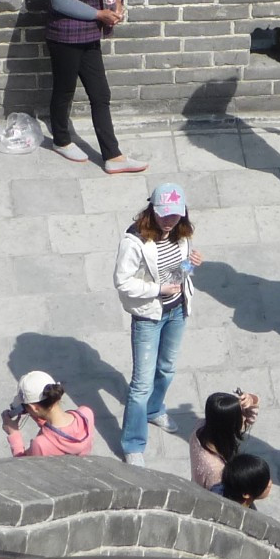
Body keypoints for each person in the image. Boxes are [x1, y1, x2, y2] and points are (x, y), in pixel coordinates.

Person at [44, 0, 146, 175]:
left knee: (100, 93)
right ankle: (61, 140)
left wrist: (119, 1)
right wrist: (99, 14)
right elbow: (61, 0)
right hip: (65, 35)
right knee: (64, 90)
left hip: (90, 32)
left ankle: (112, 156)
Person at [111, 183, 201, 464]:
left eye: (175, 215)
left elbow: (176, 274)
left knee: (167, 368)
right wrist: (157, 290)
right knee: (140, 383)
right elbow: (122, 281)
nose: (169, 220)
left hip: (177, 311)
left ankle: (153, 409)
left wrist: (191, 265)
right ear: (152, 209)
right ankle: (133, 444)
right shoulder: (134, 239)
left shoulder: (180, 233)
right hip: (149, 315)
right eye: (164, 215)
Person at [3, 369, 97, 457]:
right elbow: (61, 432)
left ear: (34, 407)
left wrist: (14, 433)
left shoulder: (41, 444)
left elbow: (25, 467)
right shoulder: (86, 414)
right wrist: (39, 417)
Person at [189, 388, 261, 489]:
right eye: (241, 415)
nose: (244, 417)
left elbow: (249, 419)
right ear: (229, 425)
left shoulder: (201, 427)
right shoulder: (217, 471)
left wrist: (251, 400)